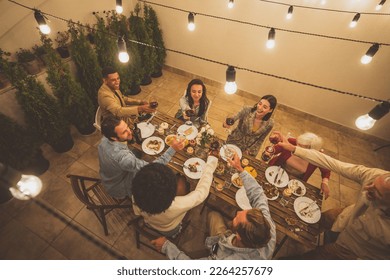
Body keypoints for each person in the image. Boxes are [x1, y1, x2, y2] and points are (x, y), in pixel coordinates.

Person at [277, 136, 390, 259]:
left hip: (351, 249)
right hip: (345, 216)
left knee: (315, 257)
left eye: (375, 191)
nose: (367, 188)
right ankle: (304, 236)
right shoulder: (375, 175)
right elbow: (333, 164)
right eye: (371, 183)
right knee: (322, 218)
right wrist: (294, 148)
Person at [150, 153, 276, 259]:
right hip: (226, 238)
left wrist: (166, 246)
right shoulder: (266, 225)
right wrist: (240, 169)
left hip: (221, 246)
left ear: (238, 235)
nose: (237, 213)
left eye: (238, 218)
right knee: (213, 215)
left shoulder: (227, 260)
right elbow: (258, 195)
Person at [98, 116, 185, 199]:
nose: (130, 132)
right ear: (114, 138)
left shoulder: (105, 139)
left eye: (127, 127)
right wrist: (172, 149)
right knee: (155, 176)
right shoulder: (124, 159)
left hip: (108, 179)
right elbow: (153, 168)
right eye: (124, 132)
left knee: (137, 152)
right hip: (119, 187)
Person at [132, 154, 217, 238]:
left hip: (150, 222)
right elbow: (201, 193)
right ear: (170, 196)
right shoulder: (176, 205)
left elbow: (137, 212)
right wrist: (211, 163)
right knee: (182, 183)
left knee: (181, 180)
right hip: (169, 229)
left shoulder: (137, 193)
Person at [269, 132, 331, 199]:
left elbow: (326, 171)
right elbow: (277, 148)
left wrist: (324, 182)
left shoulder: (317, 156)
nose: (296, 147)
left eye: (301, 147)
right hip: (276, 172)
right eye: (298, 144)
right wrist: (270, 151)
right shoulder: (292, 142)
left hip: (294, 183)